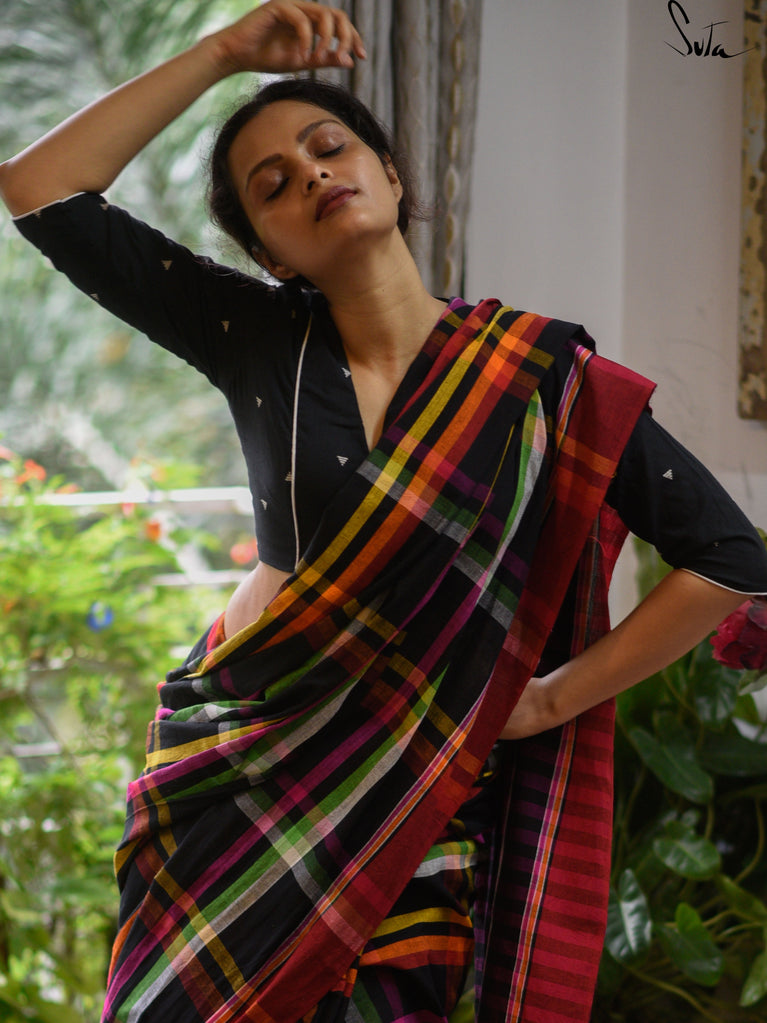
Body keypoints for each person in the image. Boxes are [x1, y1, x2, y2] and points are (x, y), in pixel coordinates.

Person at [1, 3, 765, 1020]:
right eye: (272, 184)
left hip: (418, 793)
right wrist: (222, 53)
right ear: (270, 253)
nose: (311, 174)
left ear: (393, 177)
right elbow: (40, 189)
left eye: (328, 147)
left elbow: (727, 558)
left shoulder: (538, 379)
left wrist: (546, 701)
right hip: (239, 776)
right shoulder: (258, 338)